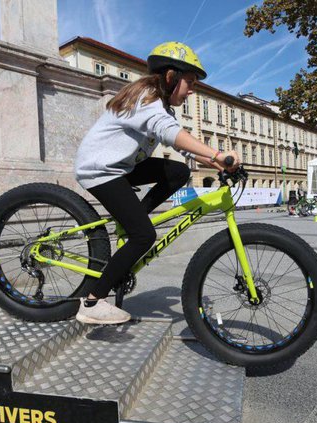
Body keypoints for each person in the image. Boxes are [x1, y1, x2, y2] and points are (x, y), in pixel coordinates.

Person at [73, 42, 240, 325]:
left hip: (121, 166)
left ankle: (134, 219)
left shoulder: (160, 105)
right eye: (190, 82)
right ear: (171, 76)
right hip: (100, 170)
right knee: (144, 236)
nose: (193, 89)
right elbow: (169, 132)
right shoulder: (146, 97)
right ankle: (92, 301)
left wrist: (215, 162)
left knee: (177, 172)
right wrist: (217, 153)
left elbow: (180, 145)